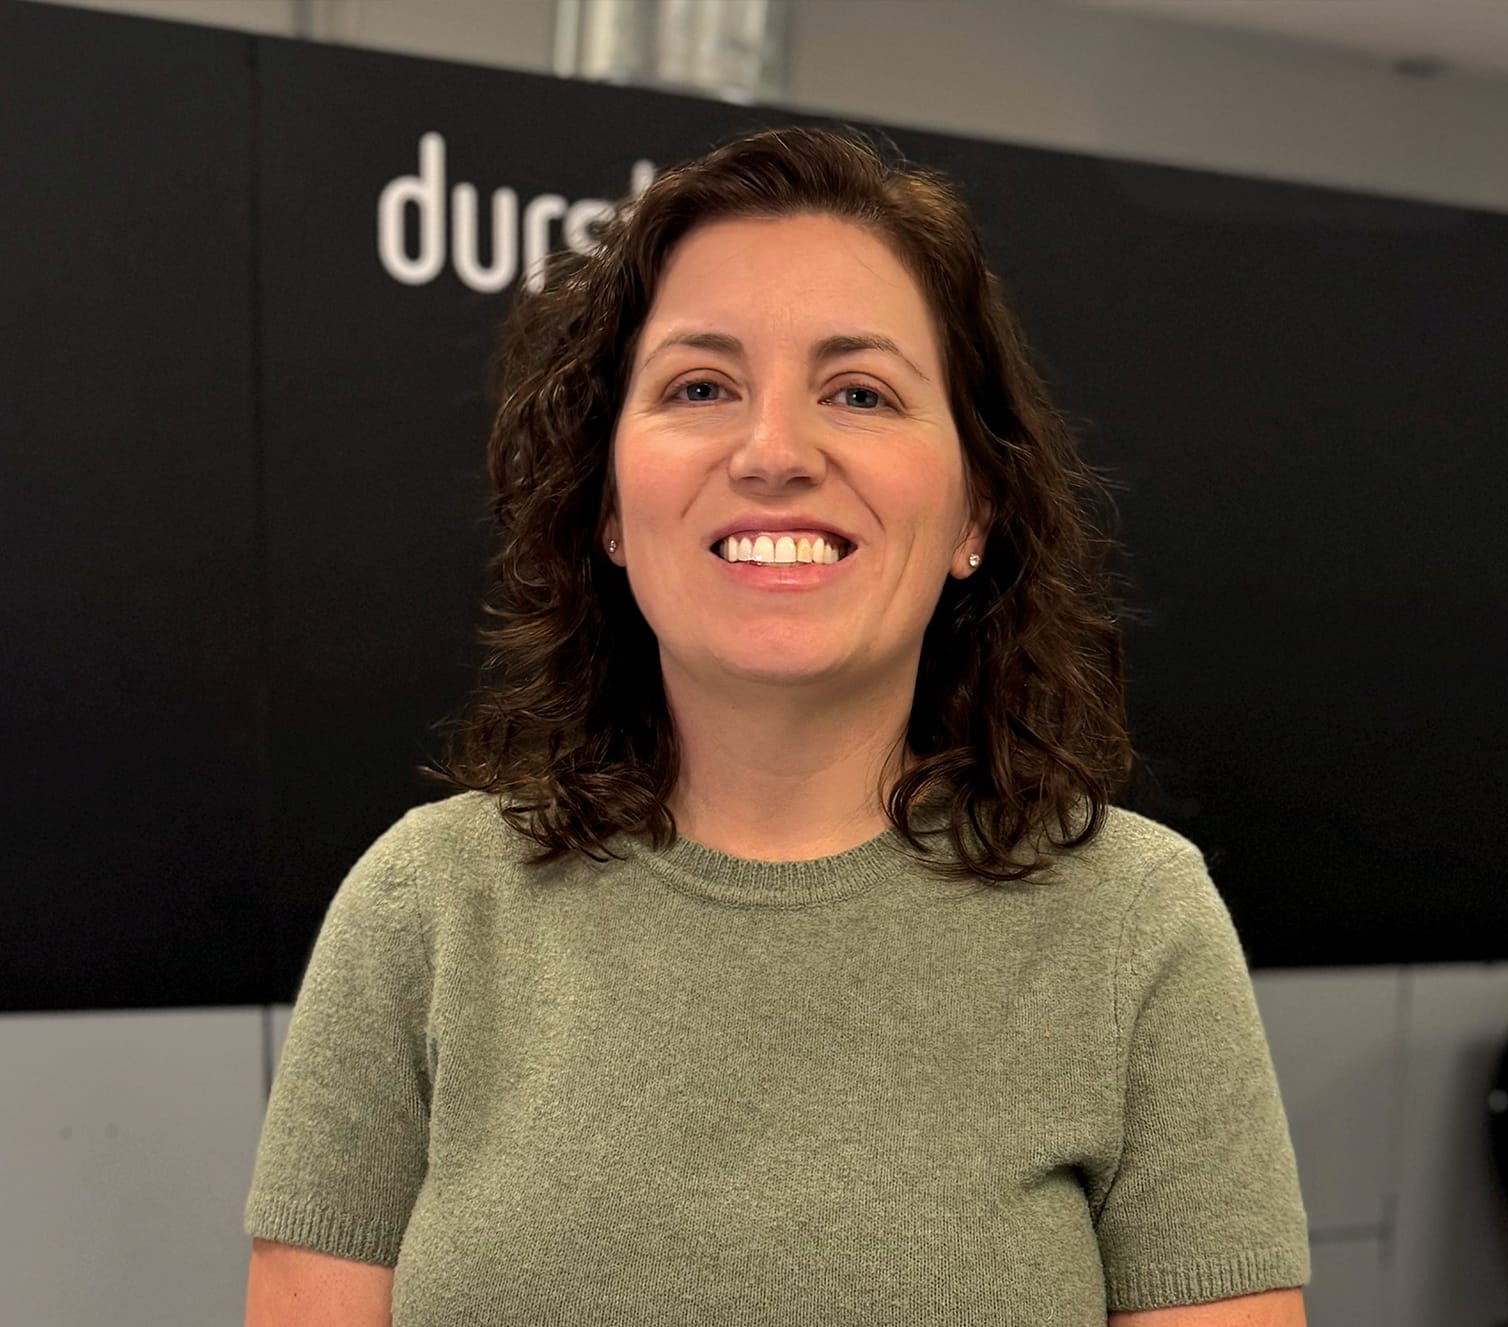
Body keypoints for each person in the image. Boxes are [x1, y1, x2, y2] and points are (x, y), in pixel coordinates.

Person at [242, 125, 1309, 1326]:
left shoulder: (1133, 922)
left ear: (976, 510)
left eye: (859, 392)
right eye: (700, 387)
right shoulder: (425, 906)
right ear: (606, 503)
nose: (773, 453)